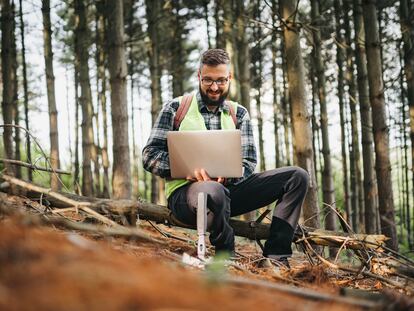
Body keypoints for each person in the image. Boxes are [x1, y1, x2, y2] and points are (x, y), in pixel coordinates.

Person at [142, 49, 309, 267]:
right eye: (208, 80)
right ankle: (226, 255)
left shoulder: (238, 114)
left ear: (229, 78)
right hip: (186, 198)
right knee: (213, 190)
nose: (214, 87)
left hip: (228, 191)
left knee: (297, 176)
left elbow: (248, 162)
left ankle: (276, 257)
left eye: (220, 80)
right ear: (199, 76)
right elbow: (149, 155)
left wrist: (229, 176)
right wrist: (187, 170)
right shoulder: (175, 109)